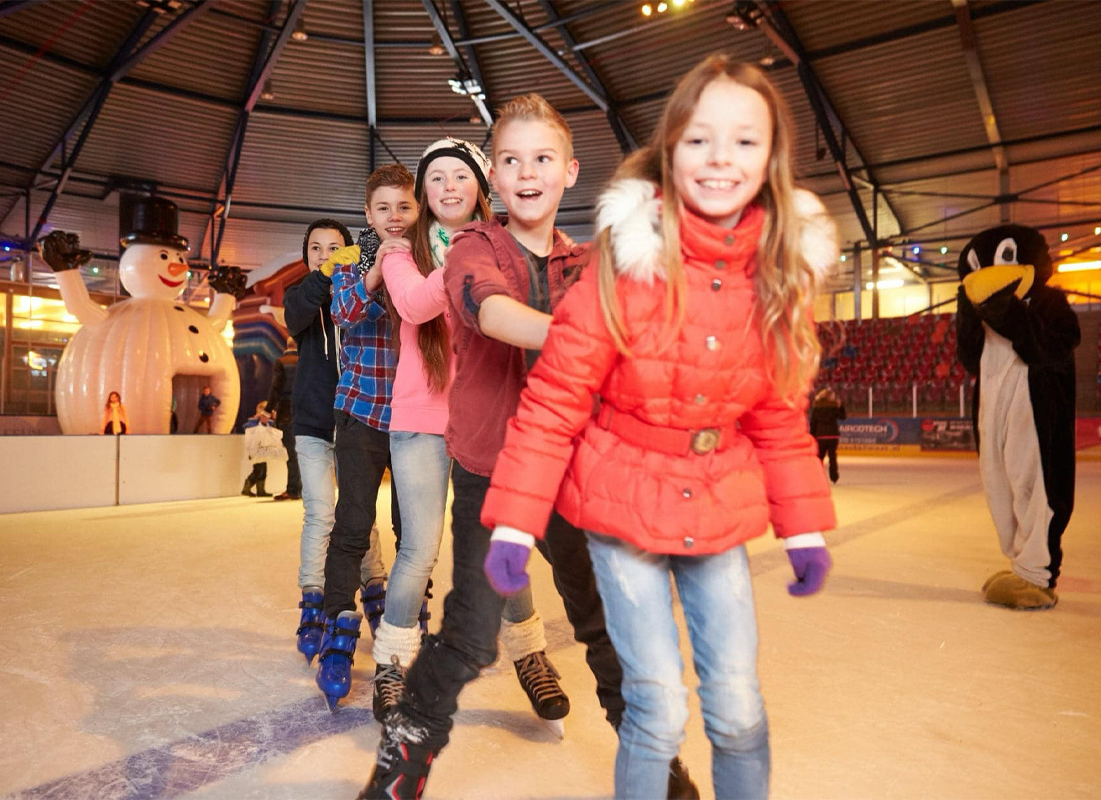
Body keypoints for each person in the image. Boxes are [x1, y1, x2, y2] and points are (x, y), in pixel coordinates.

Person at [474, 57, 842, 800]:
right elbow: (556, 398)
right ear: (670, 149)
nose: (720, 160)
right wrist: (514, 524)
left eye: (744, 141)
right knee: (658, 708)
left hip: (717, 508)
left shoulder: (777, 275)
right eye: (700, 139)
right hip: (619, 507)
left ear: (772, 158)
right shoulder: (621, 262)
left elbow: (776, 414)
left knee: (737, 711)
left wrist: (803, 527)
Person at [359, 95, 697, 799]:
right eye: (511, 160)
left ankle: (660, 775)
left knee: (607, 631)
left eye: (542, 158)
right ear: (497, 178)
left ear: (569, 171)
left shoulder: (586, 260)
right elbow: (490, 309)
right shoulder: (472, 250)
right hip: (494, 478)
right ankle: (399, 772)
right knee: (467, 636)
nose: (527, 172)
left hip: (574, 478)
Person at [371, 137, 572, 729]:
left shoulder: (503, 247)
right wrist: (469, 260)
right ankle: (391, 665)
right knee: (419, 550)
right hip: (421, 422)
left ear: (479, 187)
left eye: (460, 176)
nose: (449, 187)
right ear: (424, 195)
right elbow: (411, 306)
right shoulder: (400, 253)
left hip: (486, 416)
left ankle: (530, 655)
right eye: (436, 180)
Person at [315, 165, 418, 709]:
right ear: (368, 214)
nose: (395, 217)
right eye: (384, 208)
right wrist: (379, 269)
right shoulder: (350, 263)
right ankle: (336, 625)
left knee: (412, 529)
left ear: (417, 210)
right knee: (353, 523)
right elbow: (345, 314)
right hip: (360, 412)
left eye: (404, 207)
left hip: (416, 419)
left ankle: (408, 624)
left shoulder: (429, 260)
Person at [283, 219, 387, 665]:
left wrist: (362, 267)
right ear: (305, 254)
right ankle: (312, 598)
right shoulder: (301, 294)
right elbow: (297, 314)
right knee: (321, 511)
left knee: (358, 513)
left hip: (357, 423)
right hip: (312, 424)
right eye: (315, 248)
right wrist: (322, 277)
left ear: (348, 251)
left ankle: (376, 588)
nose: (324, 254)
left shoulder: (361, 296)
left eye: (334, 248)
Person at [267, 337, 302, 500]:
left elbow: (276, 388)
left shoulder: (282, 362)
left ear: (286, 345)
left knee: (291, 453)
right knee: (305, 452)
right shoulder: (304, 361)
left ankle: (293, 489)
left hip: (286, 411)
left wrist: (267, 411)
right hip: (305, 411)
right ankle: (303, 489)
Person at [809, 387, 846, 483]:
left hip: (821, 436)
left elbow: (813, 423)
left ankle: (817, 476)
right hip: (833, 436)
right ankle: (834, 476)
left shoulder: (816, 408)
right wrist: (841, 405)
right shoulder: (833, 408)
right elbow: (843, 417)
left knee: (820, 457)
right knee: (832, 457)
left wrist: (812, 436)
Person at [241, 401, 273, 498]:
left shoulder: (268, 423)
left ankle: (261, 490)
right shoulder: (253, 422)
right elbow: (247, 428)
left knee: (263, 470)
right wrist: (256, 420)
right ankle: (247, 487)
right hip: (255, 450)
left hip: (263, 449)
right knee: (258, 470)